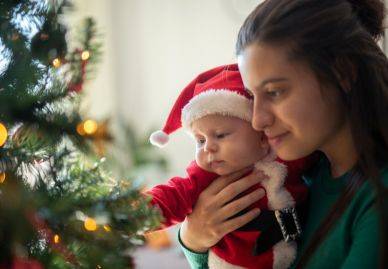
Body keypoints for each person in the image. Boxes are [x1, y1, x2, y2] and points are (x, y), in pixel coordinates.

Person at [178, 0, 388, 268]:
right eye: (252, 97)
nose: (257, 120)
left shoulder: (376, 199)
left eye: (275, 92)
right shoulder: (302, 177)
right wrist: (194, 240)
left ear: (342, 73)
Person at [146, 64, 314, 268]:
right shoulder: (206, 175)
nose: (208, 147)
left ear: (261, 135)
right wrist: (135, 209)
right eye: (200, 140)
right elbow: (172, 196)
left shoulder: (288, 154)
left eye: (220, 135)